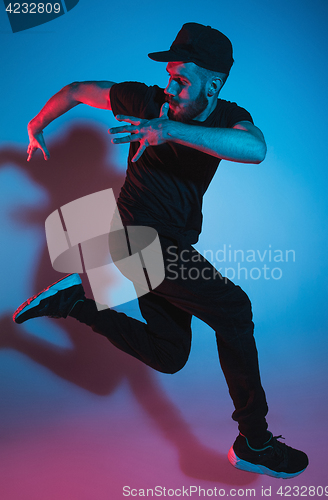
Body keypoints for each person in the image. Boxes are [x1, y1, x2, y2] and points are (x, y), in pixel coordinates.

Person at [13, 23, 308, 478]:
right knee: (234, 309)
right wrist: (36, 125)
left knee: (170, 356)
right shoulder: (144, 101)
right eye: (169, 77)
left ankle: (74, 302)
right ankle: (255, 440)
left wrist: (169, 132)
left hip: (166, 246)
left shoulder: (227, 116)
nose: (169, 90)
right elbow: (75, 91)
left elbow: (255, 148)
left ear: (215, 85)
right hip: (137, 240)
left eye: (182, 81)